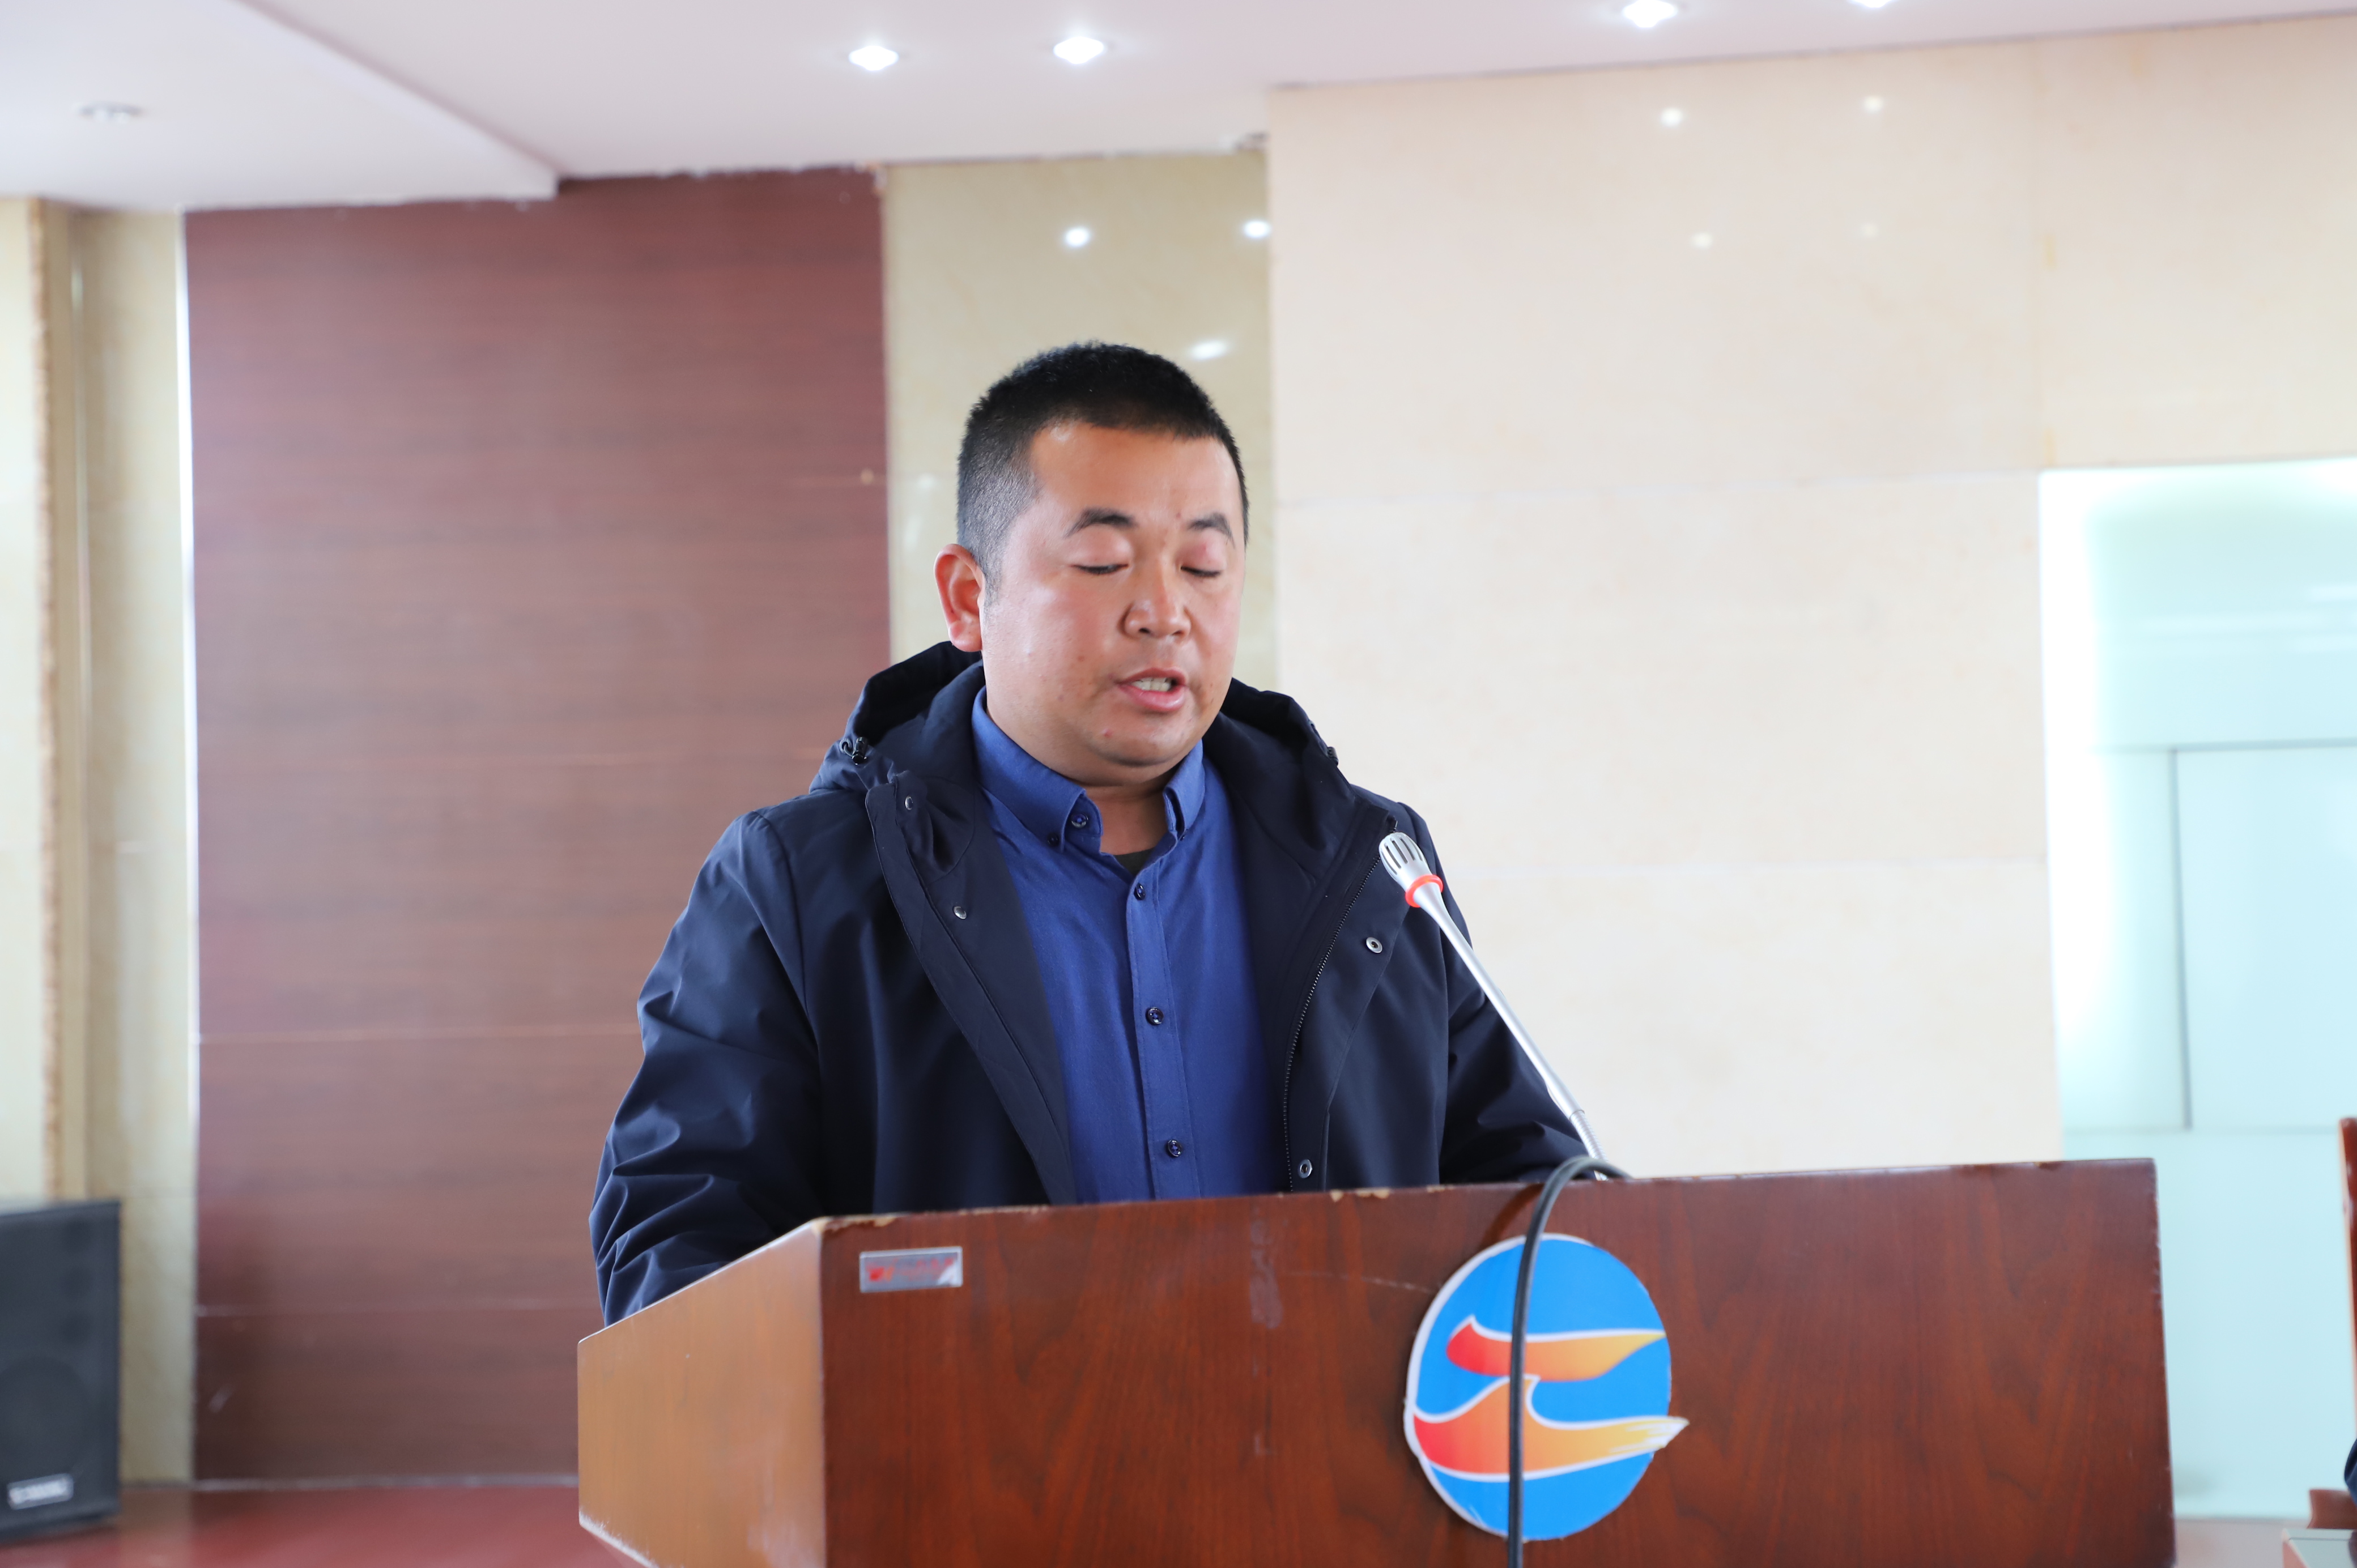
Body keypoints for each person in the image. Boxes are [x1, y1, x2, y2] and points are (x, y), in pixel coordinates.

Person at [590, 342, 1584, 1323]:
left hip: (1331, 1430)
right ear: (970, 598)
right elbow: (680, 1243)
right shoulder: (798, 886)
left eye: (1204, 565)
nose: (1165, 613)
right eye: (1105, 563)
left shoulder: (1374, 867)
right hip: (960, 1433)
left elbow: (1526, 1192)